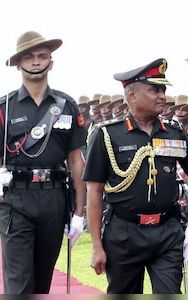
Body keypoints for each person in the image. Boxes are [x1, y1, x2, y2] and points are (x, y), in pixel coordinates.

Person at [84, 58, 188, 294]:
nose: (161, 95)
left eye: (163, 90)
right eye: (154, 90)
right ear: (131, 95)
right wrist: (96, 246)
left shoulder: (174, 132)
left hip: (167, 232)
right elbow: (95, 192)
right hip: (124, 234)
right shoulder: (107, 135)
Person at [0, 31, 86, 293]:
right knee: (18, 285)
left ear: (51, 61)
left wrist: (79, 213)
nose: (36, 62)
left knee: (41, 284)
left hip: (54, 198)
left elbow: (76, 162)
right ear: (18, 64)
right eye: (29, 57)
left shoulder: (67, 106)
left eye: (42, 56)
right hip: (16, 200)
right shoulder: (5, 108)